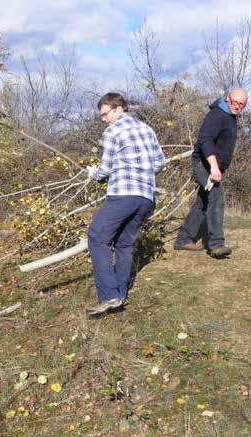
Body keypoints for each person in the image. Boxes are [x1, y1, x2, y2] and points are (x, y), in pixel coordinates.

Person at [86, 92, 166, 317]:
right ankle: (119, 297)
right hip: (146, 198)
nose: (103, 119)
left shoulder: (113, 131)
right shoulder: (147, 130)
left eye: (105, 114)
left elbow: (105, 168)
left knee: (96, 236)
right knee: (123, 244)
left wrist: (94, 174)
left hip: (123, 195)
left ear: (119, 109)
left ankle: (109, 295)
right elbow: (160, 163)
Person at [174, 87, 248, 258]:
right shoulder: (217, 115)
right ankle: (216, 245)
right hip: (203, 163)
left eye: (241, 104)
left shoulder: (230, 117)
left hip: (212, 166)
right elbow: (205, 141)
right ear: (228, 98)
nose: (237, 106)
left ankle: (183, 239)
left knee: (203, 203)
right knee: (217, 197)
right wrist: (214, 167)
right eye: (234, 101)